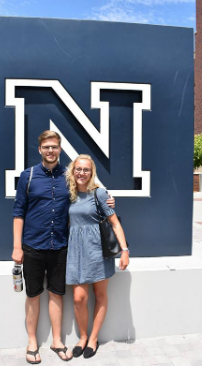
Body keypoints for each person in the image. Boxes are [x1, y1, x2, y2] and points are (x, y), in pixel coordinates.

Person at [12, 131, 114, 364]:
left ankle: (57, 341)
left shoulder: (68, 178)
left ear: (60, 150)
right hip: (32, 246)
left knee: (57, 295)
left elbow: (89, 192)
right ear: (40, 149)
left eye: (54, 147)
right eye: (46, 147)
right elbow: (18, 214)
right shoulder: (27, 177)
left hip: (60, 247)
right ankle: (32, 343)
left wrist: (108, 199)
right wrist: (17, 247)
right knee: (33, 295)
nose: (50, 151)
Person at [65, 154, 129, 359]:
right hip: (75, 251)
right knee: (79, 298)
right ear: (72, 170)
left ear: (92, 173)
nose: (81, 173)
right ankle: (82, 337)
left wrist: (125, 250)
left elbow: (115, 223)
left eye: (86, 169)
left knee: (100, 295)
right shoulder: (68, 194)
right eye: (78, 168)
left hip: (97, 250)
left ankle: (93, 338)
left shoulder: (99, 194)